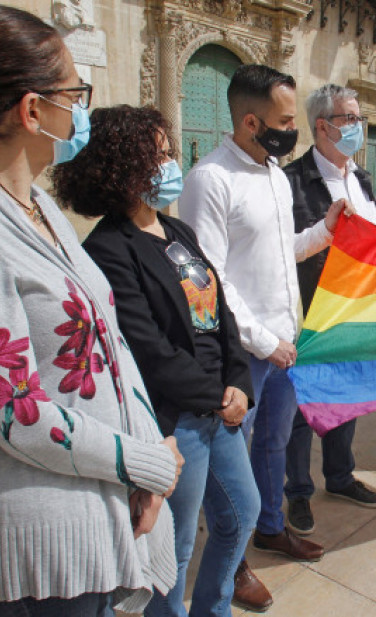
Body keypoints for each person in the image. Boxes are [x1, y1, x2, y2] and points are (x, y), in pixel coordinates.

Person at [0, 5, 182, 615]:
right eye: (75, 95)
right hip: (43, 546)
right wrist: (142, 462)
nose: (81, 110)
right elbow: (11, 407)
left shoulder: (37, 204)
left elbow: (109, 342)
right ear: (33, 110)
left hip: (107, 505)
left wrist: (152, 453)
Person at [54, 105, 259, 617]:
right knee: (177, 544)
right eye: (160, 155)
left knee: (241, 514)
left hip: (224, 408)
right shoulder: (107, 249)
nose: (171, 164)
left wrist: (237, 382)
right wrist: (215, 397)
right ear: (124, 166)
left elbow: (219, 312)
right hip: (176, 421)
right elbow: (147, 347)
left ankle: (213, 609)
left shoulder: (178, 231)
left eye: (169, 153)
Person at [179, 65, 351, 579]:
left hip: (286, 344)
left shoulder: (275, 176)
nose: (292, 130)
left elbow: (282, 254)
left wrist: (325, 230)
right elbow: (208, 279)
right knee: (229, 465)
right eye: (283, 120)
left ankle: (272, 528)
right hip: (243, 353)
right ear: (251, 122)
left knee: (274, 446)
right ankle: (233, 563)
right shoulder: (210, 180)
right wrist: (261, 340)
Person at [282, 84, 376, 535]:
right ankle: (297, 492)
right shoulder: (290, 181)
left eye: (358, 116)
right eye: (348, 118)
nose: (357, 126)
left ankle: (340, 476)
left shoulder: (361, 179)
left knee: (348, 399)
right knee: (304, 410)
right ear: (322, 126)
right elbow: (284, 250)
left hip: (357, 308)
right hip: (312, 310)